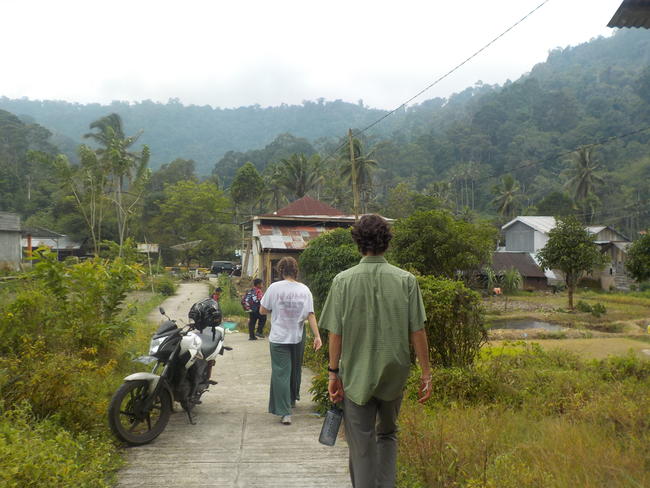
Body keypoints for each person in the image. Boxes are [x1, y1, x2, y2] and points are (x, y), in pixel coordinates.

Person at [319, 214, 432, 488]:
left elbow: (336, 334)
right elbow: (417, 331)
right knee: (388, 434)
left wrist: (333, 373)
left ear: (358, 242)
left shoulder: (342, 281)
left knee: (361, 443)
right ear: (387, 242)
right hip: (394, 374)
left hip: (356, 375)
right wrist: (426, 375)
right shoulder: (406, 280)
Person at [259, 257, 322, 425]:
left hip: (279, 337)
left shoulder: (274, 288)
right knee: (295, 370)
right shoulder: (304, 290)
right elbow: (310, 314)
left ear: (280, 270)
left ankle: (285, 412)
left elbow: (263, 310)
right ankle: (292, 399)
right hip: (297, 336)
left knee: (281, 373)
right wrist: (317, 336)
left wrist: (277, 308)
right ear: (296, 271)